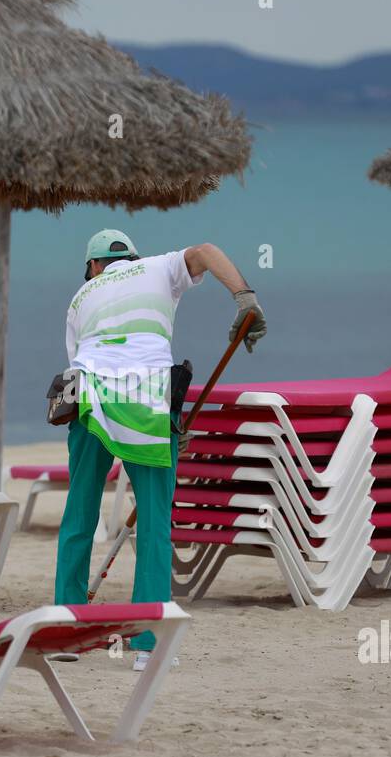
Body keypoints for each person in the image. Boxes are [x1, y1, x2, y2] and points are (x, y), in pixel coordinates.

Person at [53, 229, 266, 670]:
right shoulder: (157, 267)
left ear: (93, 266)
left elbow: (77, 365)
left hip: (90, 398)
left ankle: (65, 633)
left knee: (79, 515)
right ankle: (147, 646)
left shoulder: (80, 297)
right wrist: (244, 297)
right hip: (148, 401)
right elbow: (207, 250)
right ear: (133, 257)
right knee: (154, 524)